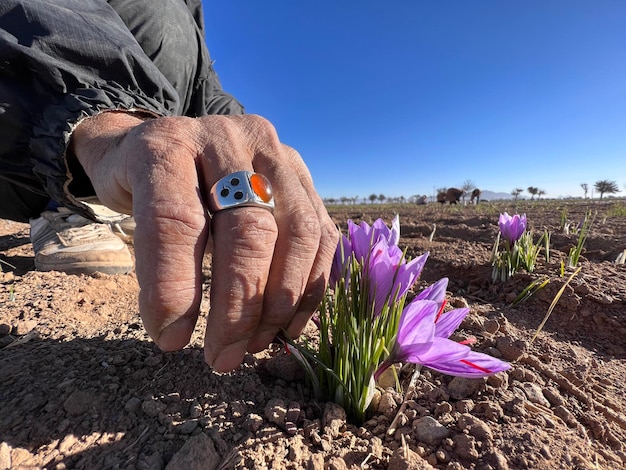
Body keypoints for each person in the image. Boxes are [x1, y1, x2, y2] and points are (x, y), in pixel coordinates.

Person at [0, 0, 338, 372]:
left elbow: (204, 91)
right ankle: (66, 204)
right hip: (26, 147)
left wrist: (249, 153)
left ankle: (123, 198)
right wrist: (101, 120)